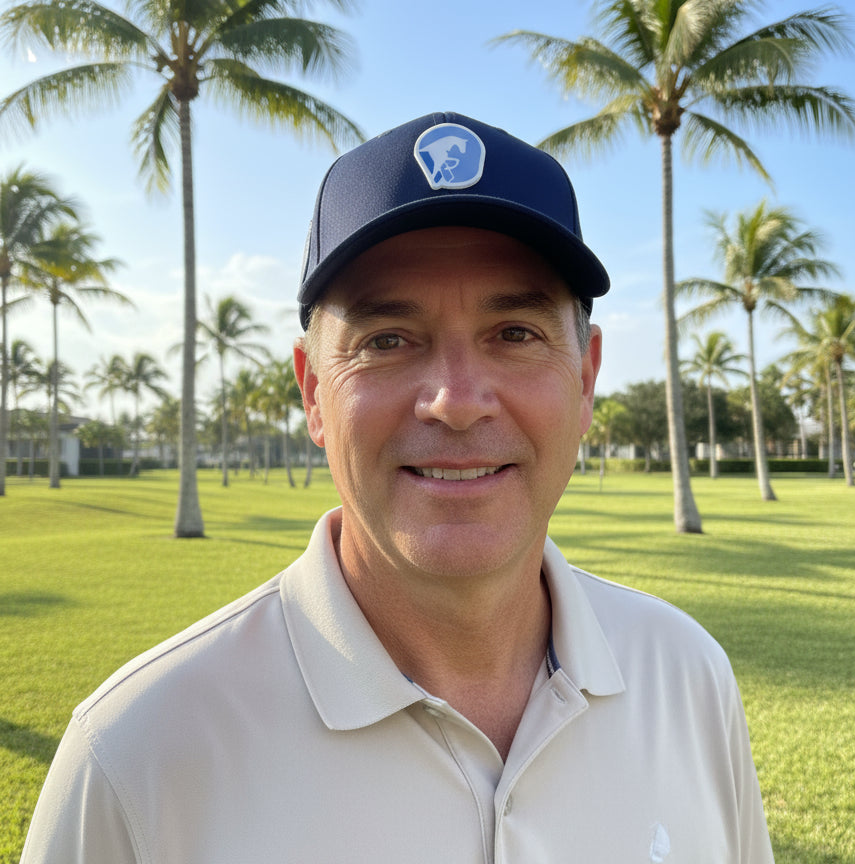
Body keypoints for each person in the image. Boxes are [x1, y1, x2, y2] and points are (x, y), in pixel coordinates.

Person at [21, 112, 774, 863]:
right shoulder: (135, 756)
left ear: (584, 379)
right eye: (386, 340)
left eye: (515, 332)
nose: (455, 400)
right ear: (314, 392)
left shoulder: (688, 677)